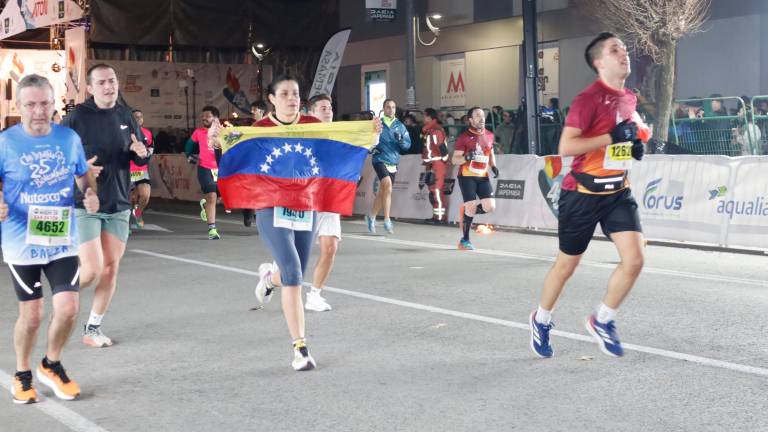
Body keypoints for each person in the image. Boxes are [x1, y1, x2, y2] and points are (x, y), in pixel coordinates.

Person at [529, 32, 646, 359]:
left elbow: (626, 137)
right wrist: (611, 137)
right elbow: (566, 147)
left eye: (624, 48)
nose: (624, 53)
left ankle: (603, 319)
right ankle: (541, 319)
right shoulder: (588, 99)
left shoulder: (628, 98)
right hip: (582, 193)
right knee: (567, 265)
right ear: (599, 62)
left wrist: (633, 146)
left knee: (635, 259)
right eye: (615, 50)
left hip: (618, 191)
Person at [1, 74, 99, 403]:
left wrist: (89, 193)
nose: (39, 111)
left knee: (69, 307)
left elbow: (83, 174)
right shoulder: (6, 142)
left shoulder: (68, 138)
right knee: (32, 315)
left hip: (59, 233)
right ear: (18, 106)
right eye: (30, 104)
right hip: (20, 239)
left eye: (44, 103)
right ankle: (22, 373)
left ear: (54, 103)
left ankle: (51, 364)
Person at [61, 63, 150, 348]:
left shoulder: (125, 114)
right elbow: (56, 157)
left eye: (111, 81)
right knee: (92, 269)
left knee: (110, 269)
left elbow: (138, 156)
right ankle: (63, 295)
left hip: (119, 201)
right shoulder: (76, 118)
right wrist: (79, 167)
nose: (108, 86)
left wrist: (142, 153)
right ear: (90, 88)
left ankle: (92, 329)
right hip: (85, 202)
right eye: (101, 83)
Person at [263, 93, 337, 312]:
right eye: (323, 108)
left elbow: (365, 145)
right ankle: (269, 280)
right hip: (304, 201)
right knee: (292, 267)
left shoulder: (341, 133)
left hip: (328, 199)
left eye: (330, 107)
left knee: (330, 247)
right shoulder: (300, 134)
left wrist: (375, 132)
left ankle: (315, 295)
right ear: (311, 113)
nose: (328, 111)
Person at [451, 107, 498, 250]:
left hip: (482, 176)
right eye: (477, 116)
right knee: (471, 206)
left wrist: (493, 166)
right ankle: (465, 240)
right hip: (467, 176)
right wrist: (466, 157)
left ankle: (467, 212)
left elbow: (491, 152)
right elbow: (454, 160)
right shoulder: (463, 137)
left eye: (483, 115)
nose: (482, 118)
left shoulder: (489, 135)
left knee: (490, 207)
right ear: (470, 120)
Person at [365, 98, 410, 234]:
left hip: (393, 161)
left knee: (383, 192)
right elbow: (369, 139)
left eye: (393, 107)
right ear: (384, 109)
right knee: (388, 186)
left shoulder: (400, 126)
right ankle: (387, 220)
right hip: (379, 159)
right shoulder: (377, 123)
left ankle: (371, 217)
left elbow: (407, 146)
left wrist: (400, 140)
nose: (391, 110)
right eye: (388, 107)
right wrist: (372, 147)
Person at [186, 106, 222, 240]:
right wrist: (189, 155)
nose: (204, 118)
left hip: (221, 169)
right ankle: (212, 229)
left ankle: (205, 204)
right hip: (205, 168)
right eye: (203, 116)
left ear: (215, 118)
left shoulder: (224, 132)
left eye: (207, 116)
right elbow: (189, 144)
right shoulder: (198, 132)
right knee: (212, 196)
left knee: (219, 198)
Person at [421, 108, 449, 223]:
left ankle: (439, 218)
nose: (423, 119)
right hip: (432, 163)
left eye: (424, 116)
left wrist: (442, 162)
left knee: (437, 190)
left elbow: (441, 147)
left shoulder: (435, 130)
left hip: (436, 163)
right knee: (433, 190)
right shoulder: (429, 130)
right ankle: (436, 216)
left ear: (429, 117)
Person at [129, 109, 154, 229]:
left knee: (145, 195)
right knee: (128, 199)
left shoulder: (147, 133)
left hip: (141, 169)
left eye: (140, 117)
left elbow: (151, 147)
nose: (139, 119)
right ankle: (125, 224)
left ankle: (138, 213)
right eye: (136, 117)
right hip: (126, 170)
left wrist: (146, 155)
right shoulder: (125, 132)